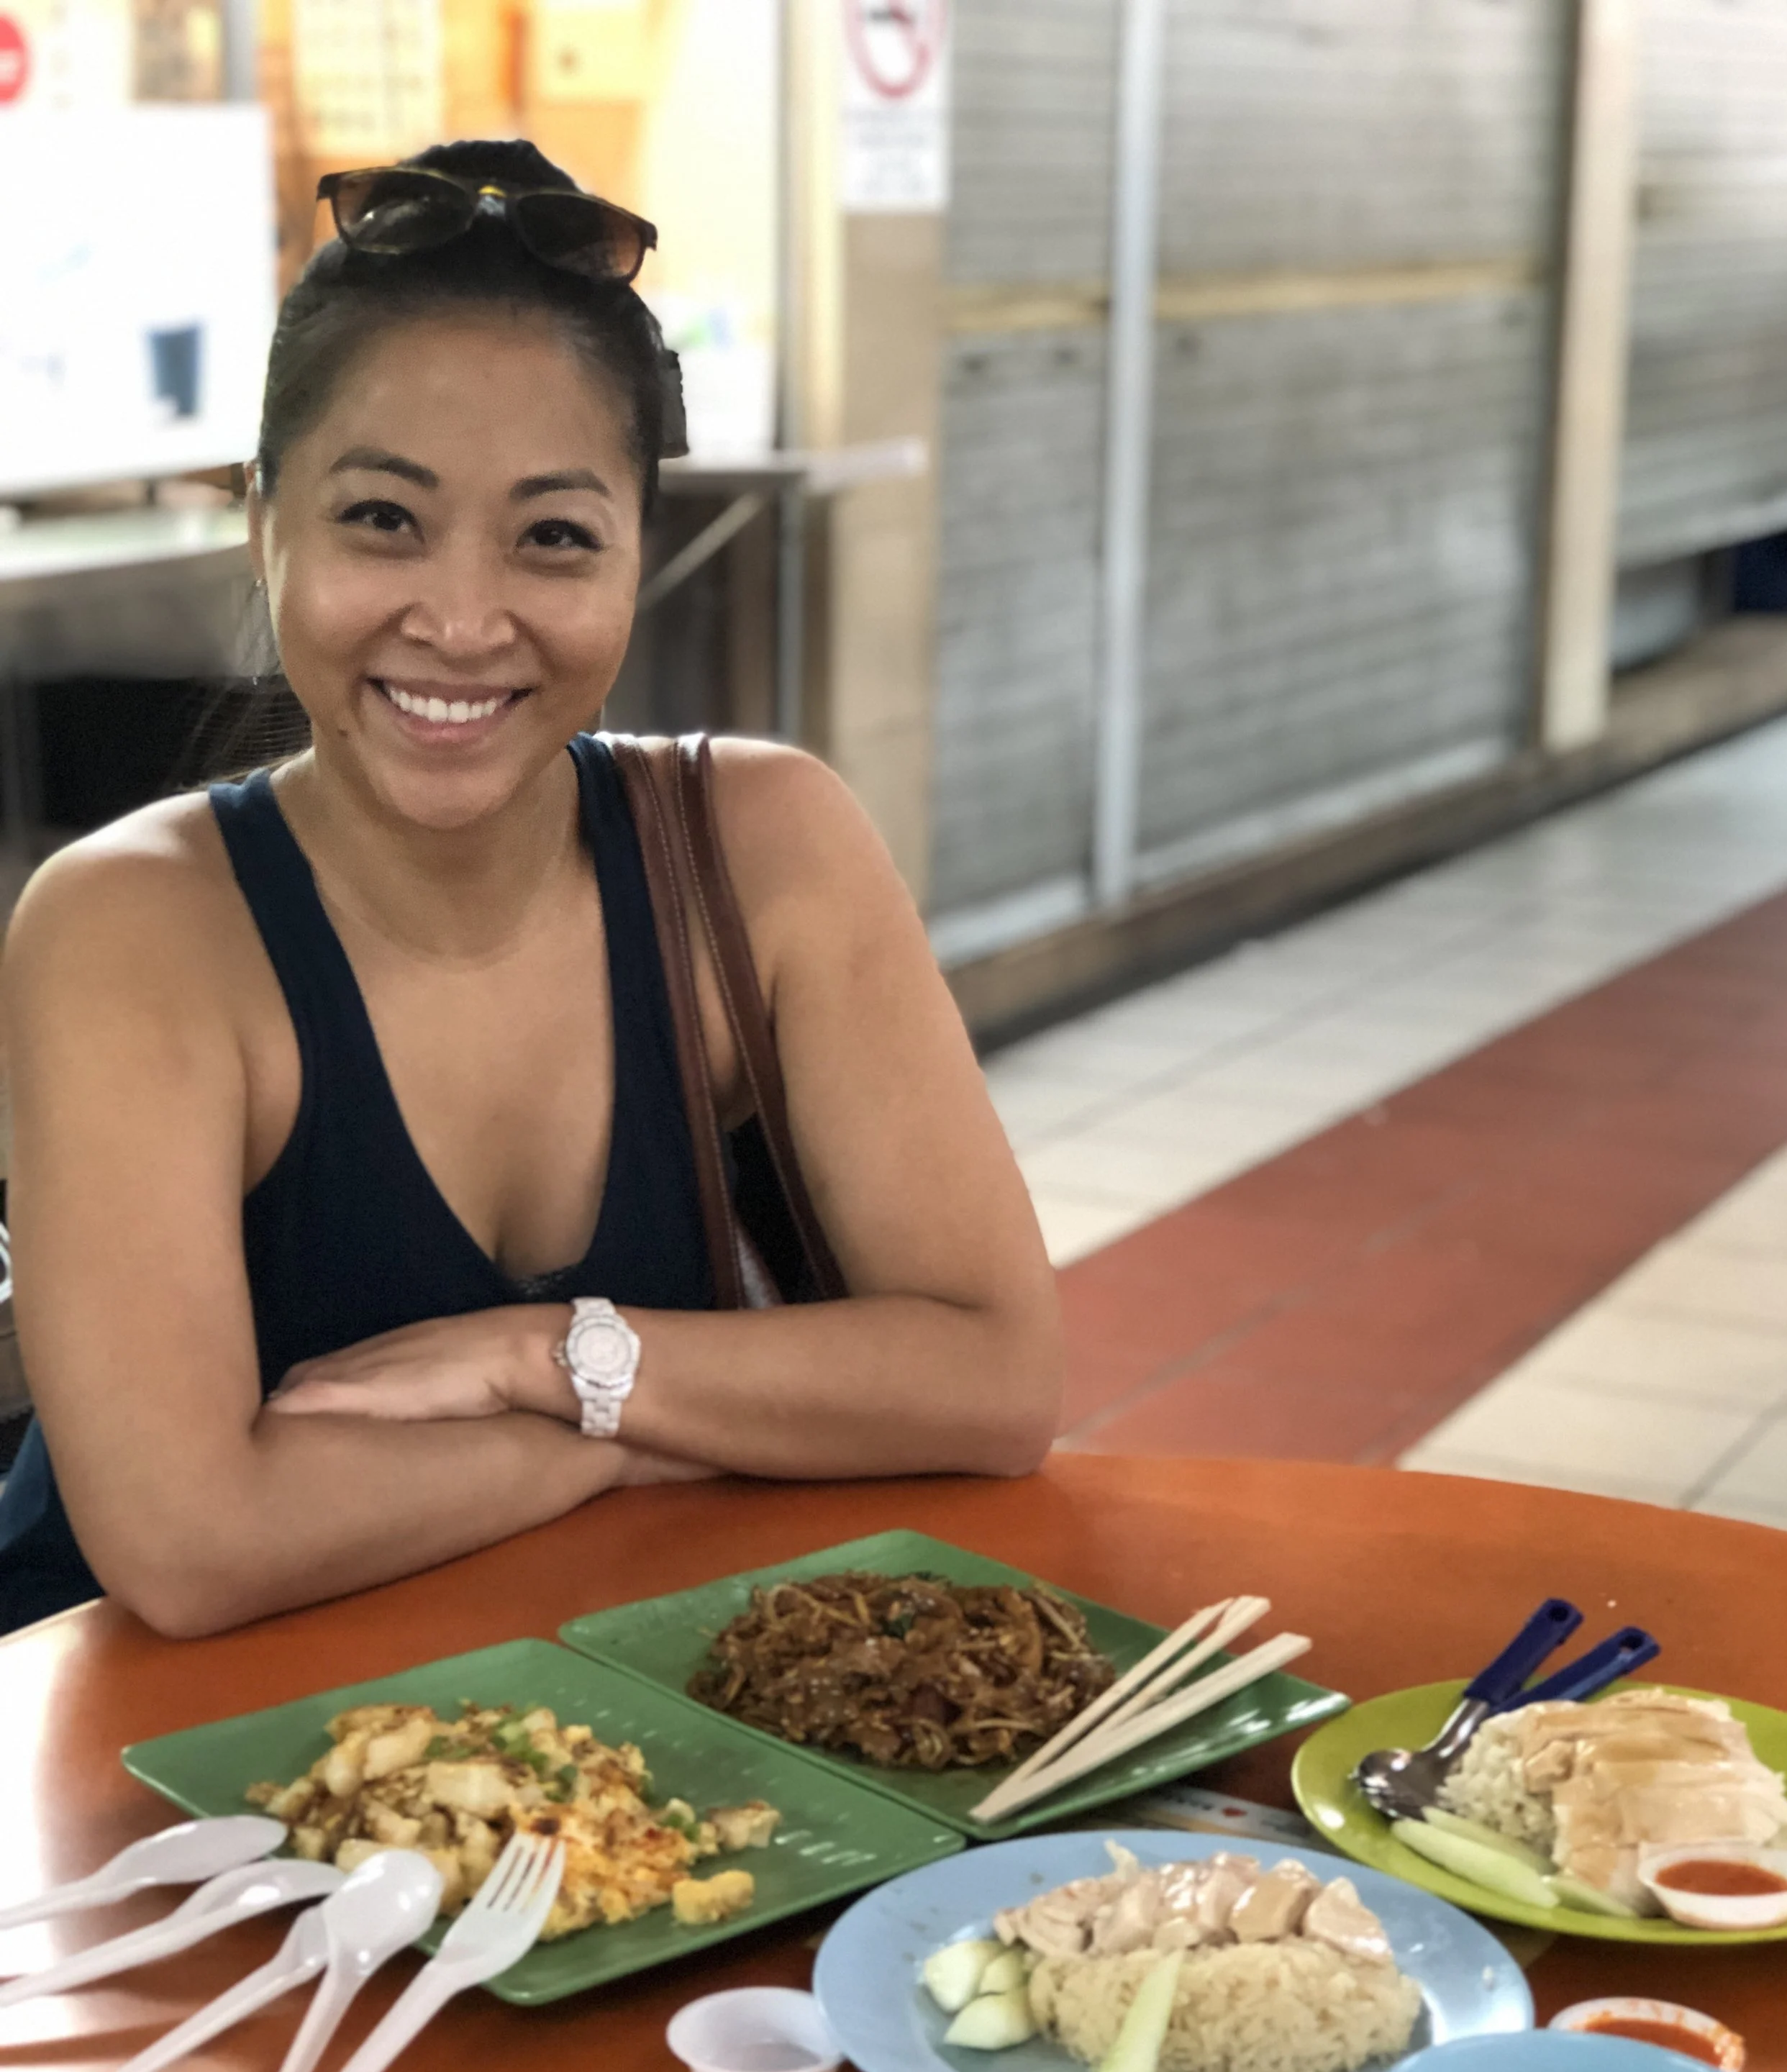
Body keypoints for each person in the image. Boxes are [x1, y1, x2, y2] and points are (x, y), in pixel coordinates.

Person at [0, 140, 1061, 1640]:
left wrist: (545, 1358)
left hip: (578, 1718)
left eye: (553, 536)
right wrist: (638, 1433)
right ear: (263, 524)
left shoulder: (763, 850)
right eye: (383, 518)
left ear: (635, 556)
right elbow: (189, 1548)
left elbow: (996, 1378)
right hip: (132, 1731)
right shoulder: (131, 928)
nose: (461, 619)